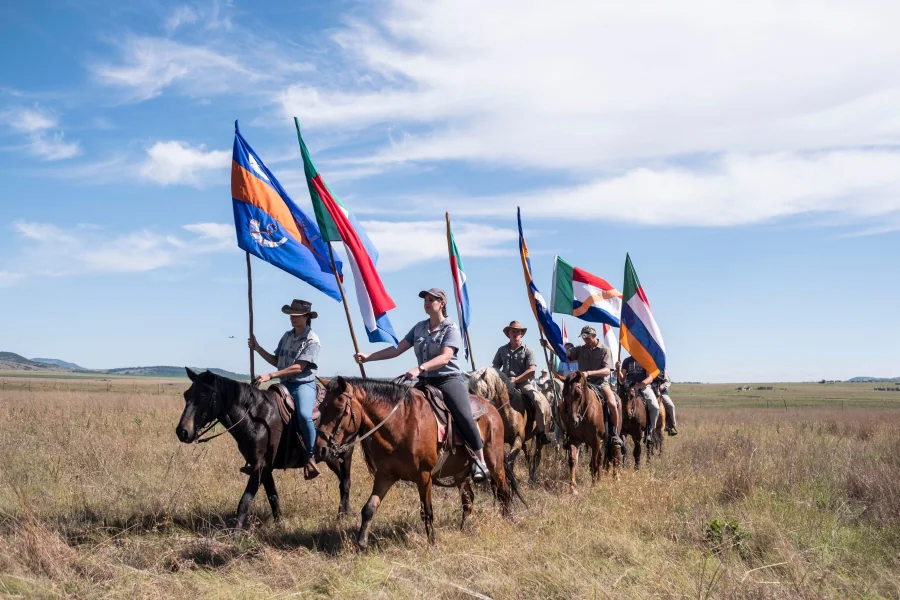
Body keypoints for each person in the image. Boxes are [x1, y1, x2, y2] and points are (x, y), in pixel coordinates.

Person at [354, 288, 490, 482]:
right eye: (425, 300)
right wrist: (369, 358)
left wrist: (420, 368)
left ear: (442, 303)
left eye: (431, 300)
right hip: (425, 382)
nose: (426, 303)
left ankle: (480, 461)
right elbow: (397, 349)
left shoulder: (450, 328)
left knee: (464, 416)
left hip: (448, 380)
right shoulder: (419, 327)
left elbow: (445, 357)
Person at [248, 299, 321, 480]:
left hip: (302, 384)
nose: (292, 319)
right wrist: (257, 349)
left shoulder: (312, 340)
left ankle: (310, 457)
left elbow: (299, 367)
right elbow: (277, 360)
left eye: (296, 316)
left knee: (304, 416)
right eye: (291, 316)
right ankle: (258, 456)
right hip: (284, 384)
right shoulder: (287, 336)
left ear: (306, 317)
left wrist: (270, 376)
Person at [543, 326, 622, 446]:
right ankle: (567, 432)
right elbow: (564, 353)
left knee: (612, 403)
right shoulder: (579, 349)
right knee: (562, 404)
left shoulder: (605, 350)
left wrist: (589, 373)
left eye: (587, 337)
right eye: (583, 337)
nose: (585, 340)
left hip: (601, 383)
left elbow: (607, 371)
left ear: (594, 336)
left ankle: (614, 433)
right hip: (582, 384)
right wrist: (549, 346)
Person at [492, 320, 552, 445]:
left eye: (517, 331)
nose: (515, 333)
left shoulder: (528, 351)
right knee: (488, 402)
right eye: (512, 331)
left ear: (522, 334)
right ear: (508, 334)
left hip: (523, 383)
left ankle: (542, 433)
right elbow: (495, 367)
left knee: (539, 401)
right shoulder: (502, 350)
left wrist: (516, 379)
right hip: (504, 384)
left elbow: (531, 371)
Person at [615, 355, 660, 444]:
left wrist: (639, 385)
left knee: (655, 406)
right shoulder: (627, 360)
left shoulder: (646, 359)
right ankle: (614, 430)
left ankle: (650, 430)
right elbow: (622, 378)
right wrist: (618, 369)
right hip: (628, 387)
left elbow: (650, 377)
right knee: (614, 403)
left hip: (643, 386)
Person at [653, 369, 677, 435]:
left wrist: (662, 386)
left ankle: (671, 426)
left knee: (671, 406)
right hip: (651, 392)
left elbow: (668, 381)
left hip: (662, 393)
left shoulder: (664, 370)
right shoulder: (649, 367)